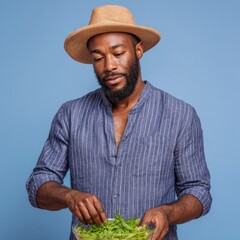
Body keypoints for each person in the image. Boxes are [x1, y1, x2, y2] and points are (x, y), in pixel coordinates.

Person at [26, 4, 212, 240]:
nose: (109, 66)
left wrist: (169, 212)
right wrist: (69, 196)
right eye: (98, 58)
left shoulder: (181, 115)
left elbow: (198, 191)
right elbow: (38, 185)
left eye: (118, 53)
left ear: (138, 50)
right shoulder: (70, 114)